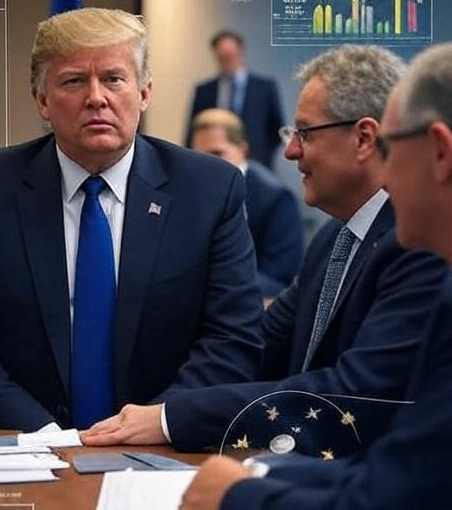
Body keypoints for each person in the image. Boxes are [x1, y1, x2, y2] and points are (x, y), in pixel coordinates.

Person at [180, 41, 452, 510]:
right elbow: (398, 477)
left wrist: (237, 501)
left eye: (392, 149)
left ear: (439, 152)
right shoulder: (335, 238)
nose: (386, 178)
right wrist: (261, 470)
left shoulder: (427, 267)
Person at [83, 45, 448, 453]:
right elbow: (255, 346)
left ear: (364, 138)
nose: (290, 152)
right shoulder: (333, 240)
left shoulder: (419, 243)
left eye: (304, 133)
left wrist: (171, 419)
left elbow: (354, 393)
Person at [0, 7, 263, 432]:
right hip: (23, 440)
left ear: (144, 92)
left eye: (114, 79)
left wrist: (159, 422)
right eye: (74, 81)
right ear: (42, 100)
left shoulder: (210, 189)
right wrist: (41, 433)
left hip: (164, 444)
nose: (96, 97)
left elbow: (233, 337)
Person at [190, 108, 303, 299]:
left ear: (243, 149)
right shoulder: (190, 191)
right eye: (198, 157)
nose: (206, 165)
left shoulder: (276, 198)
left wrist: (212, 282)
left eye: (217, 154)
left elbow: (281, 277)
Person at [185, 30, 284, 168]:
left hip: (256, 162)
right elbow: (194, 130)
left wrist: (261, 155)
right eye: (223, 56)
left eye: (231, 55)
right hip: (212, 164)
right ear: (215, 55)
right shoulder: (205, 90)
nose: (228, 59)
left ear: (240, 53)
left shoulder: (264, 87)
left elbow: (277, 130)